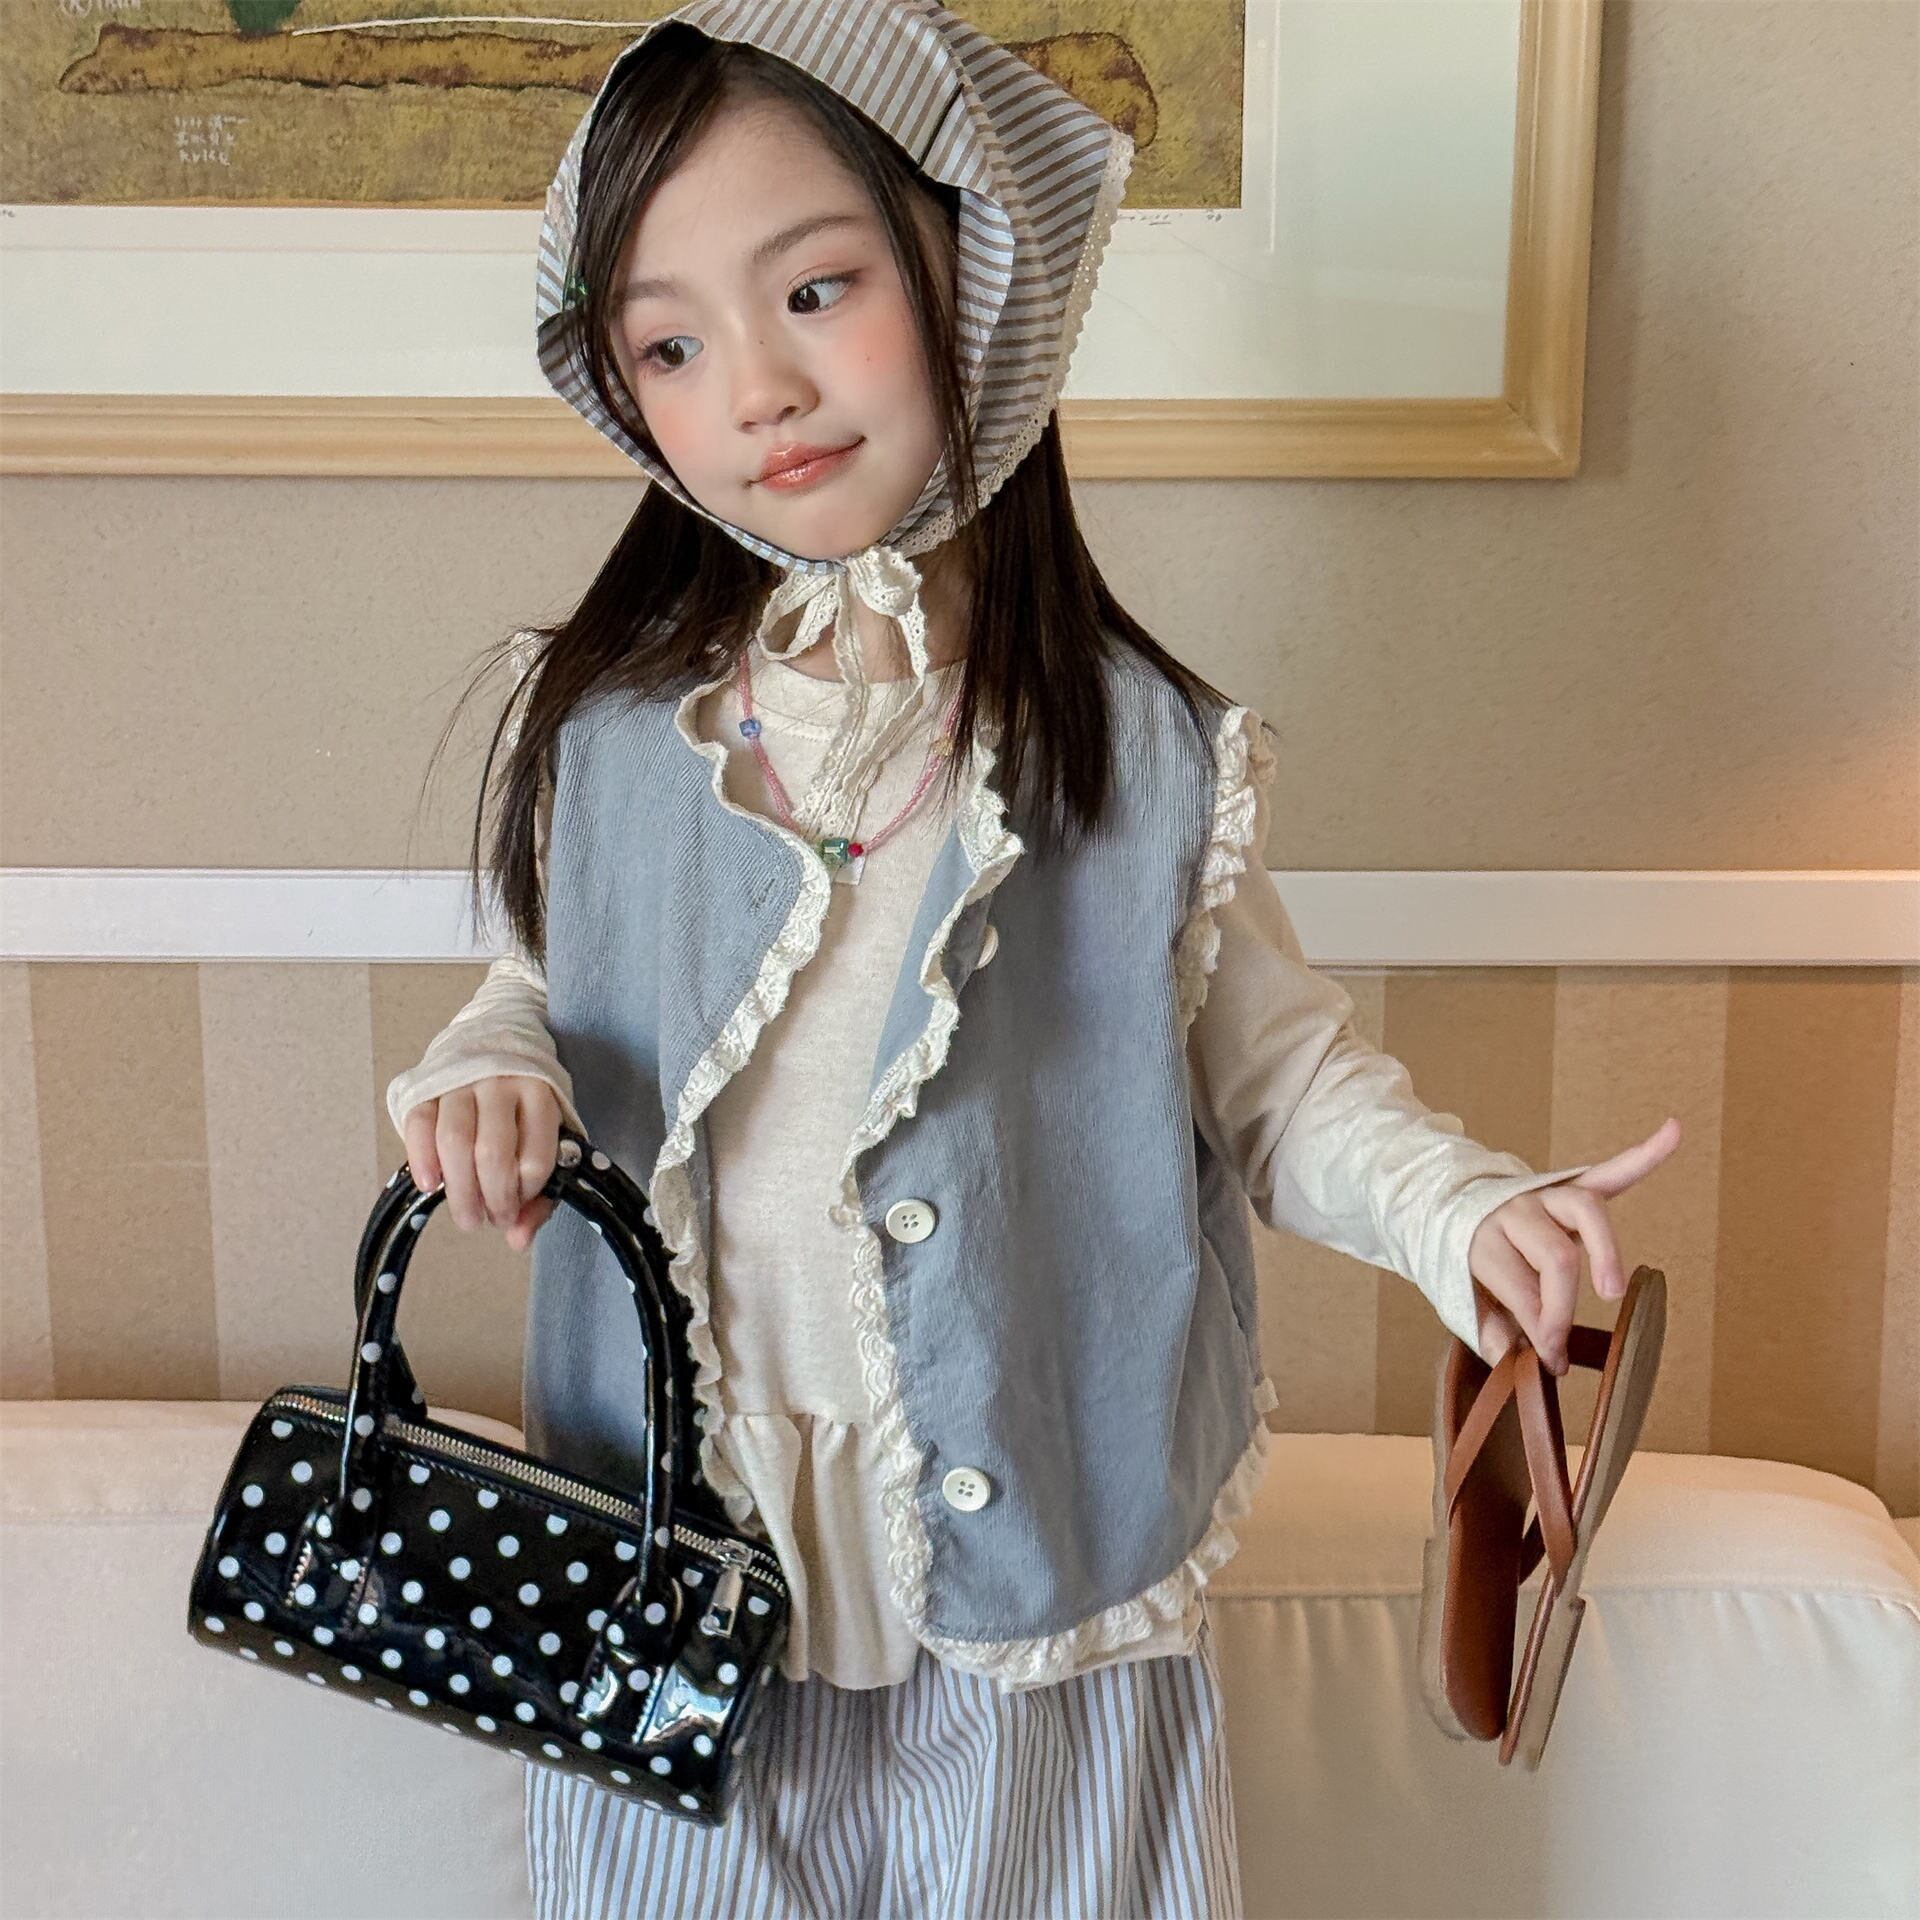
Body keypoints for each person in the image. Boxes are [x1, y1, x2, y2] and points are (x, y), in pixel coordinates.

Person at [385, 5, 1681, 1914]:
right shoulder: (612, 728)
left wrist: (1462, 1211)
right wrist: (485, 1074)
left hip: (1047, 1594)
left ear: (977, 276)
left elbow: (1281, 1081)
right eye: (670, 344)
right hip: (669, 1570)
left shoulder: (1134, 752)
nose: (758, 387)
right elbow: (543, 994)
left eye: (815, 289)